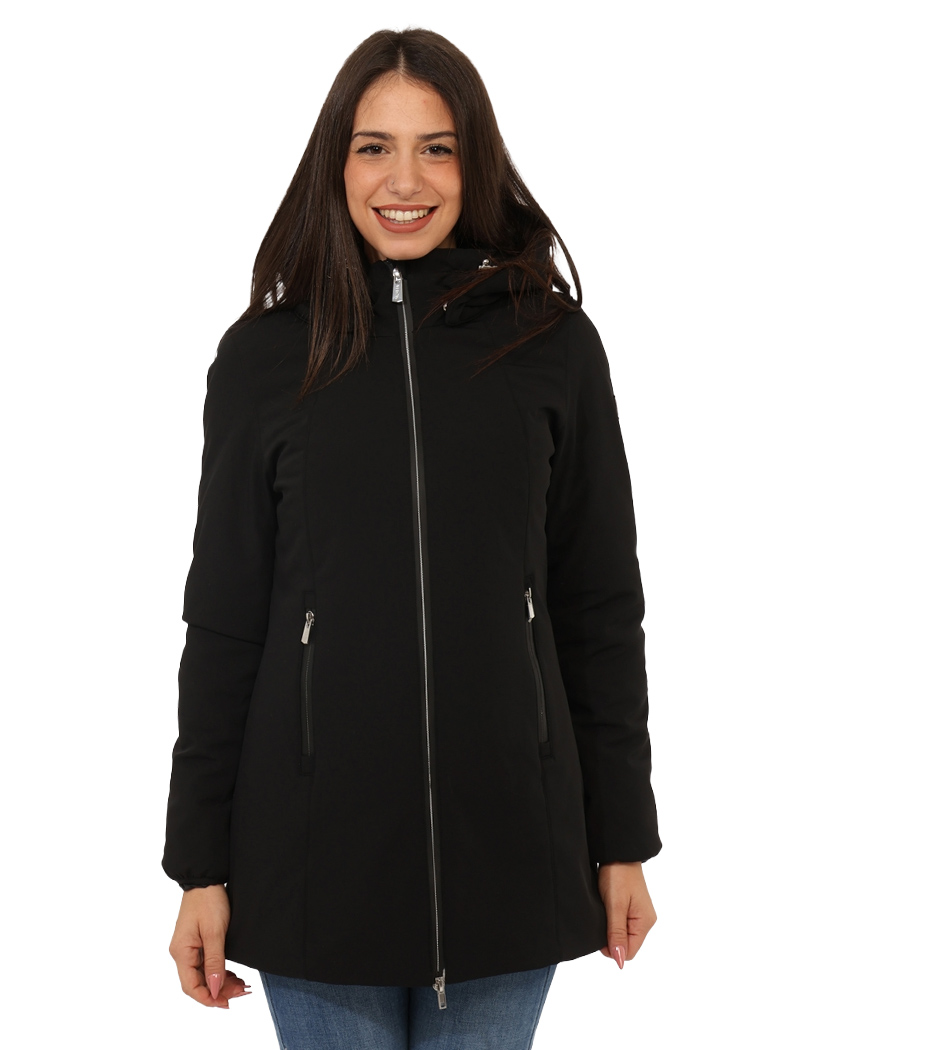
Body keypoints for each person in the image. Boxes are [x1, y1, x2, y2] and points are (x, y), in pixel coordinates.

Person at [163, 27, 661, 1050]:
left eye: (437, 148)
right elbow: (224, 623)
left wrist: (623, 841)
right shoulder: (265, 358)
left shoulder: (551, 345)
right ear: (335, 164)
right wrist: (199, 868)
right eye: (374, 147)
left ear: (476, 164)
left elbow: (599, 609)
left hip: (510, 851)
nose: (405, 180)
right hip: (311, 859)